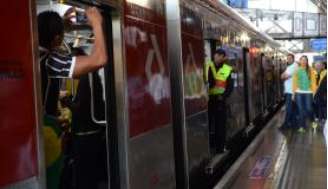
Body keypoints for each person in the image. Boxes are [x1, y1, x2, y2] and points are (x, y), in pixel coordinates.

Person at [38, 7, 107, 189]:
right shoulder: (50, 61)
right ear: (57, 38)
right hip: (47, 136)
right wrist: (97, 24)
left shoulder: (29, 53)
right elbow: (99, 59)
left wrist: (61, 27)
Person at [204, 48, 233, 154]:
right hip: (209, 100)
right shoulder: (207, 66)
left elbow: (230, 86)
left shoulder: (227, 69)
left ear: (222, 57)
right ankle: (211, 145)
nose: (217, 57)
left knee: (220, 125)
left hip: (220, 100)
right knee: (210, 124)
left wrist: (224, 96)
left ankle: (220, 148)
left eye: (219, 56)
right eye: (216, 55)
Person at [292, 56, 316, 133]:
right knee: (300, 109)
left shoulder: (311, 70)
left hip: (308, 92)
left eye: (305, 60)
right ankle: (302, 126)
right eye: (302, 60)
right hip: (298, 92)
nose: (303, 61)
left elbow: (313, 82)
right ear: (300, 61)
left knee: (309, 108)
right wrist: (293, 94)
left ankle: (312, 120)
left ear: (307, 61)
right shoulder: (297, 70)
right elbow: (294, 83)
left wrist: (314, 93)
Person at [280, 54, 298, 129]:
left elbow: (284, 76)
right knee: (292, 109)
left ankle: (286, 124)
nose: (288, 60)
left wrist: (284, 75)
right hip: (290, 90)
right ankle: (293, 124)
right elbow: (282, 76)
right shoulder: (290, 66)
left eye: (290, 58)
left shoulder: (294, 66)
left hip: (291, 91)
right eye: (287, 59)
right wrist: (283, 75)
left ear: (293, 59)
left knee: (289, 108)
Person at [313, 61, 327, 128]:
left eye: (319, 66)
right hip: (314, 92)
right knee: (316, 105)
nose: (318, 67)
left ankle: (323, 119)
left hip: (323, 93)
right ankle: (317, 117)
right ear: (315, 66)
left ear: (322, 66)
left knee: (323, 106)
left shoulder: (325, 72)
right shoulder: (312, 73)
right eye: (317, 66)